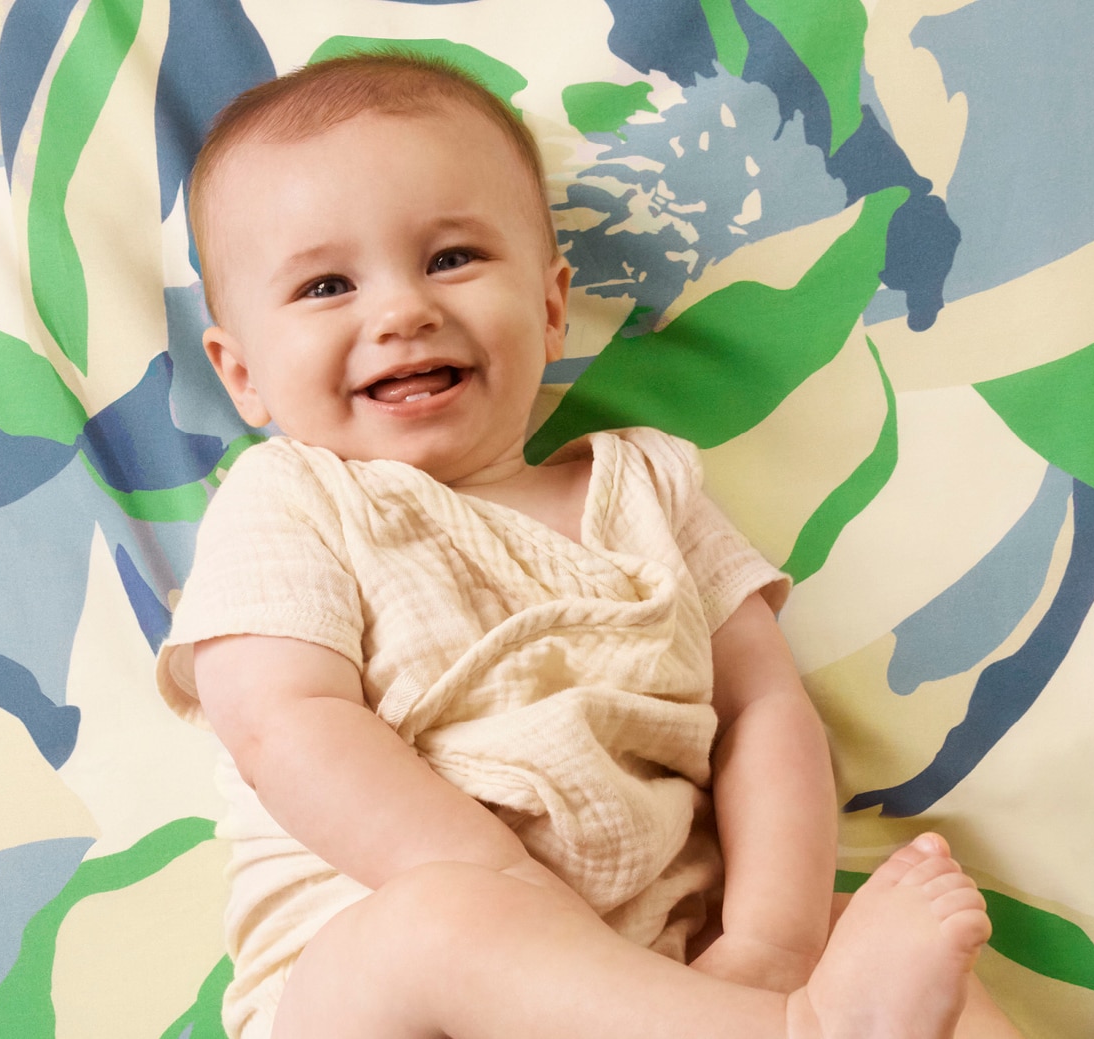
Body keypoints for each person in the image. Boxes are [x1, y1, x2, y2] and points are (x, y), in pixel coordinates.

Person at [154, 52, 1018, 1039]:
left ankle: (799, 1010)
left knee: (860, 933)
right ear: (241, 374)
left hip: (671, 965)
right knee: (440, 923)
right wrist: (513, 895)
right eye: (324, 285)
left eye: (451, 259)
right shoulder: (292, 498)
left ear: (552, 304)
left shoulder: (649, 490)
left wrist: (769, 942)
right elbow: (283, 725)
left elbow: (762, 708)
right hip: (393, 993)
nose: (400, 311)